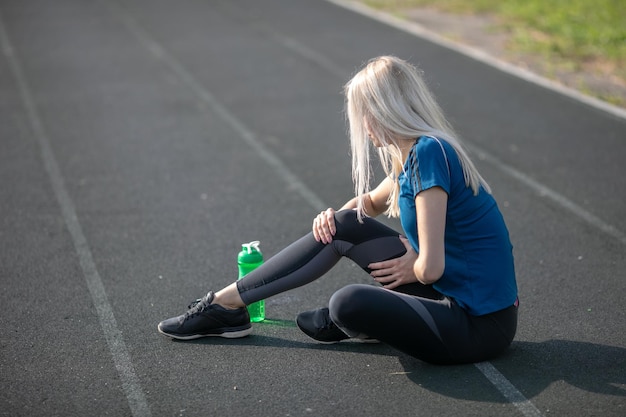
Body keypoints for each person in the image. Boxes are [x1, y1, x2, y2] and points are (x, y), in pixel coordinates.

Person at [158, 56, 518, 365]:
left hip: (479, 324)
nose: (362, 126)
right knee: (346, 224)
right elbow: (369, 206)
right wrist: (333, 219)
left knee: (347, 302)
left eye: (363, 114)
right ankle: (224, 305)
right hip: (451, 294)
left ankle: (351, 320)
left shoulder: (429, 154)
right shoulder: (410, 155)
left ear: (382, 111)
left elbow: (430, 267)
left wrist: (416, 258)